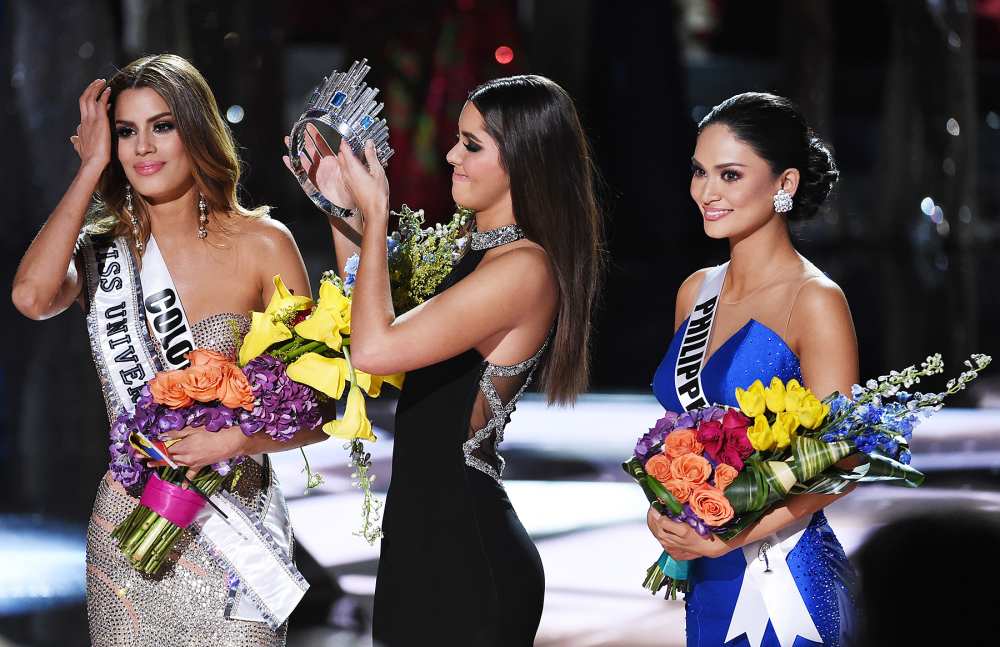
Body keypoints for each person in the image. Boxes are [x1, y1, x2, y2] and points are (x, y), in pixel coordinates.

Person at [11, 54, 325, 645]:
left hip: (235, 535)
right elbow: (30, 297)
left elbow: (318, 407)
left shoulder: (263, 244)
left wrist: (231, 441)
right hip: (127, 532)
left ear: (196, 131)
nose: (143, 148)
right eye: (126, 131)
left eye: (162, 126)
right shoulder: (102, 253)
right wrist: (89, 169)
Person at [290, 74, 604, 645]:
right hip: (423, 540)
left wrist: (377, 213)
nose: (452, 155)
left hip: (467, 555)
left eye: (472, 145)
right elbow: (373, 325)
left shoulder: (522, 268)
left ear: (524, 159)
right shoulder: (477, 254)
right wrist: (342, 210)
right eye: (459, 139)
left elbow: (373, 349)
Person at [645, 92, 857, 646]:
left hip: (785, 573)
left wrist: (732, 535)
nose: (707, 192)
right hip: (709, 574)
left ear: (784, 183)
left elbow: (846, 457)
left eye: (730, 175)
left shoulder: (814, 300)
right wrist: (666, 504)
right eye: (699, 172)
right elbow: (683, 430)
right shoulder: (695, 290)